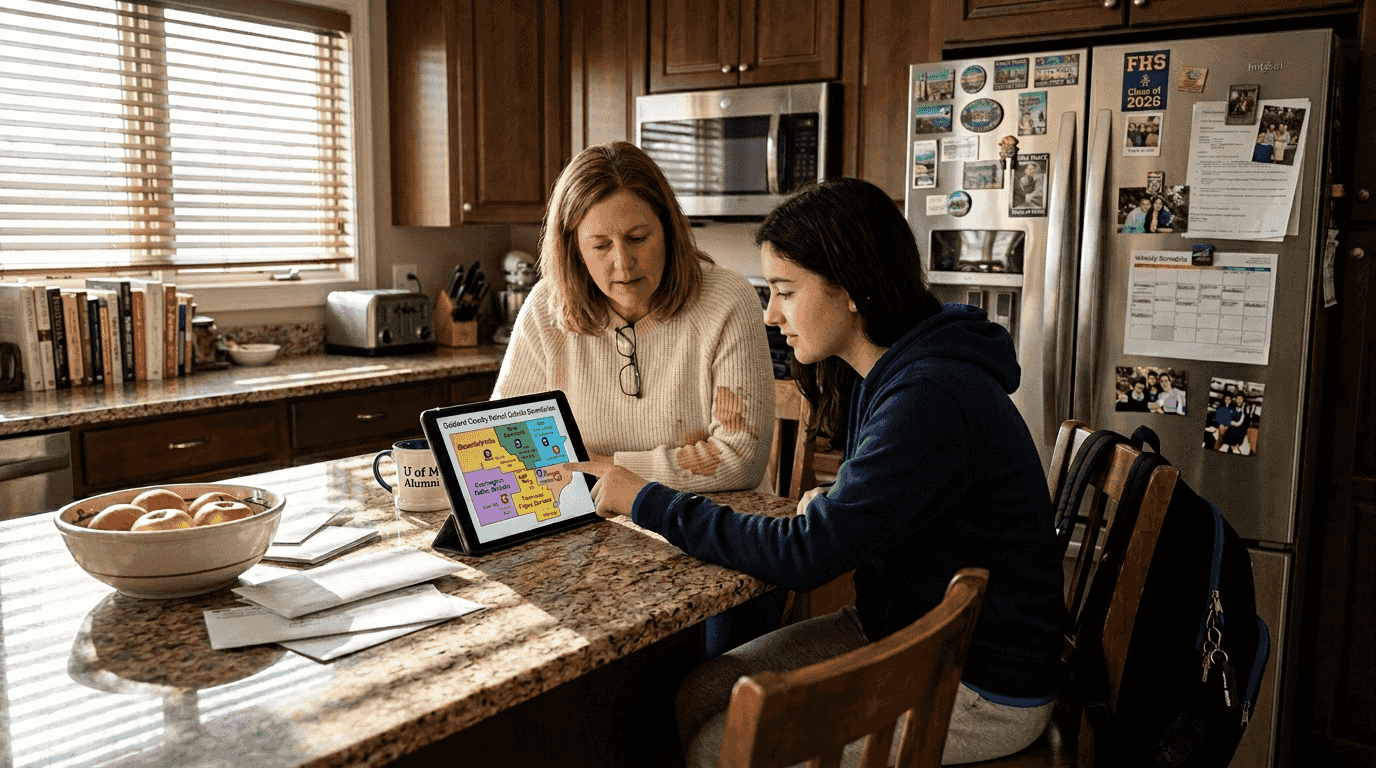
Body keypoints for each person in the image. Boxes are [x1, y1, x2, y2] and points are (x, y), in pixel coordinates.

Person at [570, 178, 1067, 766]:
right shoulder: (887, 371)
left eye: (784, 290)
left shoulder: (929, 396)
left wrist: (644, 499)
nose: (771, 312)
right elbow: (880, 504)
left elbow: (805, 558)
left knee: (718, 746)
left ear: (851, 288)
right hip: (908, 630)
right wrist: (833, 509)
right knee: (697, 694)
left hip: (980, 686)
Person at [492, 141, 779, 659]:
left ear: (669, 228)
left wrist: (608, 473)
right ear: (572, 247)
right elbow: (509, 440)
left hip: (717, 545)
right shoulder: (545, 310)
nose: (622, 263)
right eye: (599, 245)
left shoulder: (727, 298)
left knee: (703, 686)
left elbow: (738, 459)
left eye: (638, 237)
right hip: (588, 550)